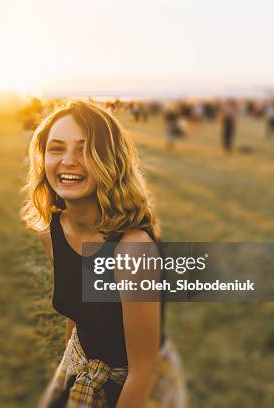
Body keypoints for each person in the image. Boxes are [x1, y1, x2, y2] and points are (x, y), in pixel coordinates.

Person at [22, 100, 186, 407]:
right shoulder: (52, 232)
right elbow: (77, 313)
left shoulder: (133, 250)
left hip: (138, 387)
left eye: (84, 149)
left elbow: (143, 369)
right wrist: (70, 369)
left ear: (110, 161)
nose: (68, 161)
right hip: (82, 368)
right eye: (57, 148)